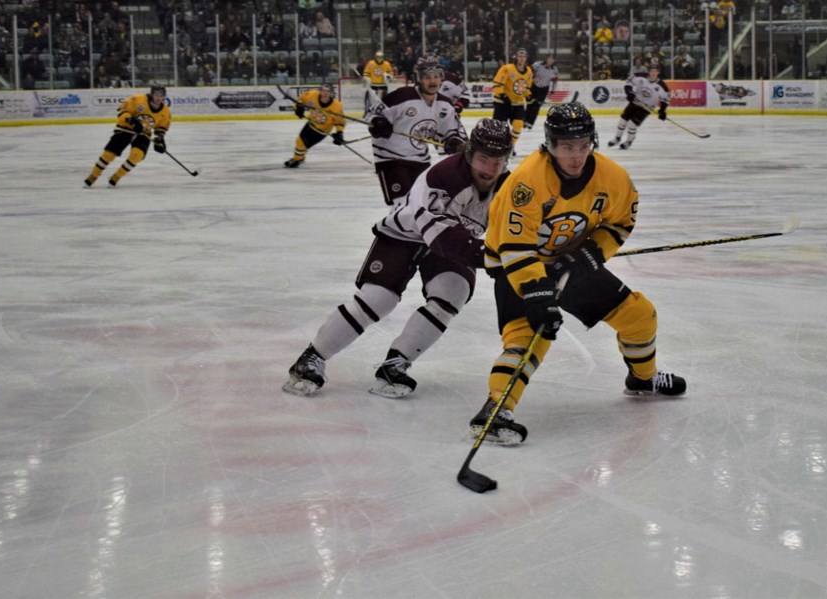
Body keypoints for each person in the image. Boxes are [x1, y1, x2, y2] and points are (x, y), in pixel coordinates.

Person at [469, 102, 686, 445]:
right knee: (529, 339)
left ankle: (643, 379)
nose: (576, 156)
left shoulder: (612, 178)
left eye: (583, 145)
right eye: (567, 147)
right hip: (516, 269)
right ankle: (495, 410)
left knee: (640, 316)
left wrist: (591, 253)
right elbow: (514, 247)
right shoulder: (526, 182)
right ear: (550, 145)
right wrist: (538, 293)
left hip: (568, 262)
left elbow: (621, 222)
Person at [283, 119, 514, 398]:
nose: (490, 169)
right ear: (470, 154)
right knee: (378, 298)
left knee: (452, 295)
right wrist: (497, 258)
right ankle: (311, 357)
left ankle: (396, 364)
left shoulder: (509, 187)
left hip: (455, 240)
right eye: (484, 159)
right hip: (405, 234)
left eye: (498, 161)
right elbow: (443, 239)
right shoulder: (443, 177)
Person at [366, 54, 467, 206]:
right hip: (392, 160)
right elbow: (373, 114)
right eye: (427, 77)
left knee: (422, 207)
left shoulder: (444, 105)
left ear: (441, 78)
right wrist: (378, 123)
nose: (432, 81)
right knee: (403, 206)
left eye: (436, 76)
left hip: (421, 161)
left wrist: (454, 142)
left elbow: (452, 131)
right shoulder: (401, 96)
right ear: (419, 78)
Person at [84, 85, 171, 187]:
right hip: (126, 129)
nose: (159, 98)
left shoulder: (165, 111)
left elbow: (161, 128)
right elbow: (122, 111)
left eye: (161, 96)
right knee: (109, 154)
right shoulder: (138, 99)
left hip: (144, 133)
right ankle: (94, 175)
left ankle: (116, 176)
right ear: (152, 95)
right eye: (156, 95)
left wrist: (160, 139)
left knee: (137, 155)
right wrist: (132, 121)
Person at [606, 64, 670, 150]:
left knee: (632, 124)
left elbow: (665, 99)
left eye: (655, 71)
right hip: (635, 102)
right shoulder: (640, 77)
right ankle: (617, 138)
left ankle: (629, 141)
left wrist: (662, 111)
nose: (653, 73)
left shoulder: (662, 86)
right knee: (623, 120)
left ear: (658, 73)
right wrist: (629, 93)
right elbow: (628, 82)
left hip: (646, 108)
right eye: (651, 71)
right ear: (649, 71)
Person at [283, 83, 346, 168]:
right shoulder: (312, 95)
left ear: (331, 93)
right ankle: (299, 158)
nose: (325, 93)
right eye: (323, 90)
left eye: (328, 91)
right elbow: (301, 99)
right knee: (300, 141)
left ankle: (297, 159)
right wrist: (298, 108)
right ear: (320, 91)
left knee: (302, 143)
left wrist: (339, 133)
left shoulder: (337, 106)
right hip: (310, 123)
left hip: (321, 131)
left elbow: (340, 122)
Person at [492, 48, 533, 155]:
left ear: (526, 58)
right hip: (502, 103)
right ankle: (498, 146)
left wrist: (528, 95)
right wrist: (502, 95)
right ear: (516, 57)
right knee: (500, 128)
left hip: (518, 103)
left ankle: (510, 146)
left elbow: (526, 87)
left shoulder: (528, 71)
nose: (522, 59)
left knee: (518, 124)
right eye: (520, 56)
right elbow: (497, 83)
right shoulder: (507, 68)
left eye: (524, 57)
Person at [524, 54, 559, 130]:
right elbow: (528, 71)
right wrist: (533, 77)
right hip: (533, 87)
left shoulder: (554, 70)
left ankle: (530, 123)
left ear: (554, 61)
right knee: (529, 104)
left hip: (543, 89)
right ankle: (525, 121)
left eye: (552, 59)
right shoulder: (537, 64)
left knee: (536, 107)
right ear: (546, 59)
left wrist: (553, 90)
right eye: (549, 58)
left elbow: (555, 81)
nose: (550, 60)